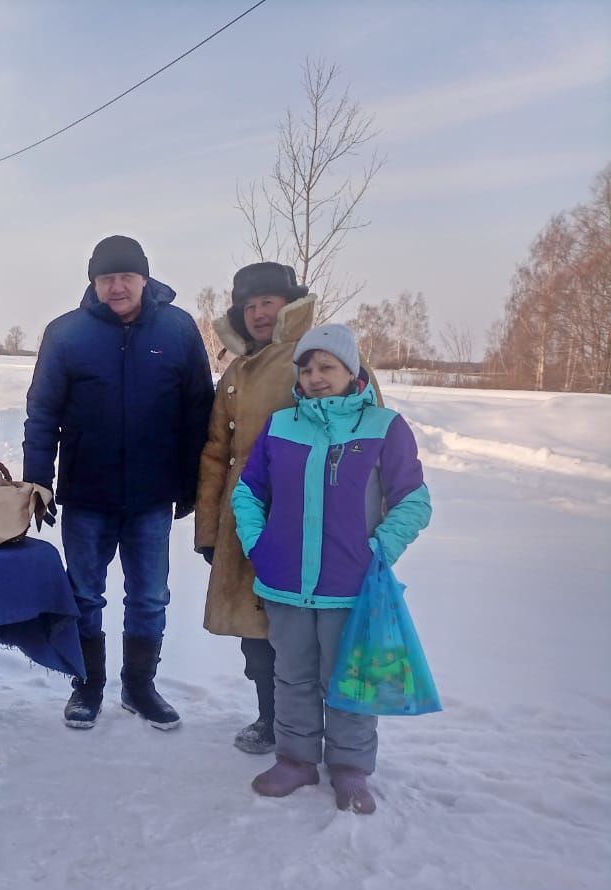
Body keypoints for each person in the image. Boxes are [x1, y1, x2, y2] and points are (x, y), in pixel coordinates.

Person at [231, 323, 431, 814]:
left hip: (352, 587)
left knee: (349, 680)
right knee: (292, 677)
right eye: (307, 368)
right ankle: (296, 760)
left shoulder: (384, 427)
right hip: (285, 585)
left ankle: (350, 769)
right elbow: (248, 494)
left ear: (351, 371)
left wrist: (377, 552)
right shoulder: (281, 426)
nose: (316, 377)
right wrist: (261, 546)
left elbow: (414, 501)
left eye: (327, 367)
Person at [23, 235, 214, 730]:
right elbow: (42, 414)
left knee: (149, 596)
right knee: (84, 594)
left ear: (145, 278)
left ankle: (139, 685)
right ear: (93, 282)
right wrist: (37, 481)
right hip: (87, 492)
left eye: (126, 276)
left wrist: (192, 483)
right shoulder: (66, 334)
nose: (116, 286)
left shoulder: (177, 329)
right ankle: (87, 684)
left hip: (151, 495)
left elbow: (199, 412)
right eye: (106, 278)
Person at [195, 263, 383, 755]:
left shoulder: (322, 358)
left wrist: (372, 530)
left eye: (268, 302)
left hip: (308, 525)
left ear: (289, 304)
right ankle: (273, 720)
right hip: (246, 522)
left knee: (317, 640)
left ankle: (336, 738)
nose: (258, 313)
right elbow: (218, 450)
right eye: (249, 305)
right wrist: (210, 529)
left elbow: (370, 449)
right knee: (256, 636)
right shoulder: (236, 368)